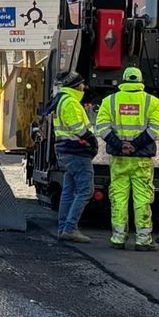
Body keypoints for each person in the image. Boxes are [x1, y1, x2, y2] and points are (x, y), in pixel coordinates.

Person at [96, 65, 159, 250]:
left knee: (118, 197)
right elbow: (156, 128)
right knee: (142, 199)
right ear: (141, 81)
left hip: (119, 159)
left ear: (123, 80)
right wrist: (136, 145)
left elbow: (101, 127)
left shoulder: (110, 101)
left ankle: (118, 238)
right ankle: (143, 240)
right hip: (141, 160)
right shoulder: (152, 102)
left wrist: (120, 145)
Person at [49, 72, 96, 243]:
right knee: (85, 191)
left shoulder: (62, 100)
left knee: (68, 191)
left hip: (67, 152)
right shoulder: (70, 102)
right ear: (76, 86)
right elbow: (77, 128)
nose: (84, 87)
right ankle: (70, 229)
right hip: (77, 152)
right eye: (82, 84)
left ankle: (63, 228)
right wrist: (91, 140)